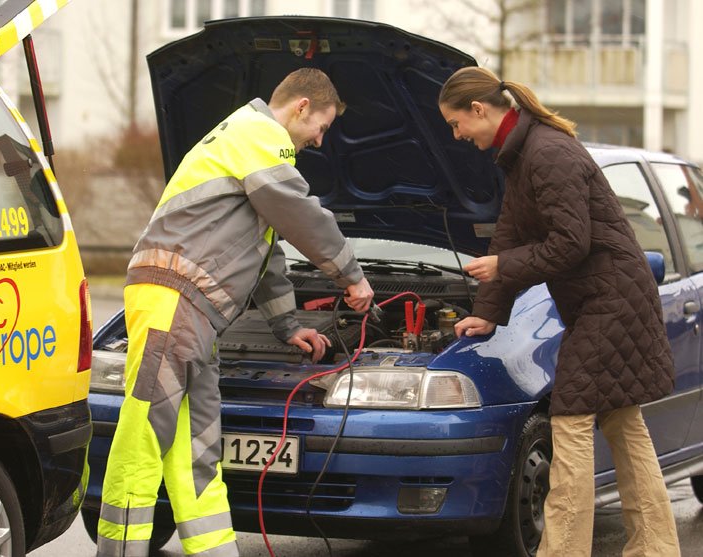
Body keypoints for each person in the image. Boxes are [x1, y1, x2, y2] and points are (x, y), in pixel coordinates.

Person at [97, 68, 374, 557]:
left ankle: (215, 549)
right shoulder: (258, 134)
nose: (320, 140)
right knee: (144, 438)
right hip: (172, 298)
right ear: (303, 106)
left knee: (197, 447)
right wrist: (351, 275)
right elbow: (300, 213)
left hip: (192, 311)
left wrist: (288, 326)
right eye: (322, 127)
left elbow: (266, 253)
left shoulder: (251, 147)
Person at [439, 66, 680, 556]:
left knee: (569, 420)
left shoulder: (547, 152)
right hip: (604, 298)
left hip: (610, 301)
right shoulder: (523, 154)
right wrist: (489, 312)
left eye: (455, 123)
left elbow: (571, 244)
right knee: (622, 422)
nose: (456, 134)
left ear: (479, 110)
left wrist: (503, 264)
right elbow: (509, 231)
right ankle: (655, 548)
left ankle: (563, 551)